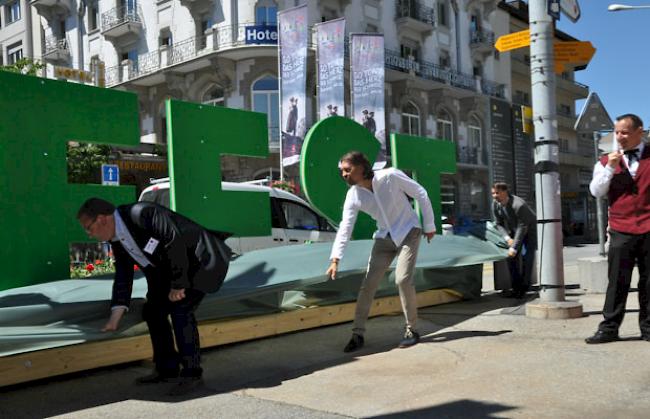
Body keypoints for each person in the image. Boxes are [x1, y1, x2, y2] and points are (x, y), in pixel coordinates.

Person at [77, 198, 231, 395]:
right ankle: (167, 368)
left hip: (199, 261)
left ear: (102, 219)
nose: (89, 234)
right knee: (152, 311)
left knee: (180, 309)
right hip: (169, 271)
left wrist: (179, 284)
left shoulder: (143, 213)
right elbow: (124, 275)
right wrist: (116, 313)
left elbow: (174, 241)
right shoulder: (117, 238)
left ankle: (192, 373)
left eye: (88, 228)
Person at [326, 151, 436, 352]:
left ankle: (412, 329)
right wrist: (335, 258)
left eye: (347, 170)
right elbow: (345, 227)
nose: (344, 174)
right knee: (368, 285)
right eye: (341, 171)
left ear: (361, 168)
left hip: (408, 232)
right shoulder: (353, 195)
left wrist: (429, 225)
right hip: (384, 238)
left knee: (402, 279)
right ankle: (357, 334)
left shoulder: (390, 176)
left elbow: (420, 192)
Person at [586, 113, 650, 344]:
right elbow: (597, 191)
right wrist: (611, 168)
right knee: (617, 281)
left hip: (649, 228)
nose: (619, 137)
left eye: (624, 132)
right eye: (617, 132)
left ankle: (648, 328)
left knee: (649, 281)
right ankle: (609, 328)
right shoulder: (604, 161)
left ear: (639, 132)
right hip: (621, 229)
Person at [491, 182, 537, 299]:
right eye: (493, 193)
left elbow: (523, 227)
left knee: (527, 257)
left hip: (529, 230)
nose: (495, 196)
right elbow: (498, 224)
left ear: (505, 192)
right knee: (511, 258)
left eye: (497, 193)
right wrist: (507, 238)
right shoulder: (496, 204)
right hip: (514, 229)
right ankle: (516, 287)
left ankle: (524, 287)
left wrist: (514, 247)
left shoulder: (519, 205)